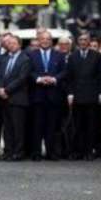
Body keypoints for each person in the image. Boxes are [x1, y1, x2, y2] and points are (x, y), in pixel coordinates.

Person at [29, 31, 66, 161]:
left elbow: (64, 72)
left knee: (52, 126)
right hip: (37, 95)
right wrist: (38, 79)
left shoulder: (60, 55)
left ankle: (51, 153)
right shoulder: (31, 55)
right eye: (42, 38)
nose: (45, 41)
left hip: (53, 95)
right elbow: (29, 71)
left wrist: (54, 79)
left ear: (51, 41)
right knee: (37, 126)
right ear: (39, 40)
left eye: (47, 39)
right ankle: (36, 153)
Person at [66, 32, 101, 160]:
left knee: (90, 125)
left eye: (85, 39)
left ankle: (88, 151)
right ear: (78, 41)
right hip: (77, 96)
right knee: (77, 126)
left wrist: (100, 93)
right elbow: (69, 78)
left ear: (89, 41)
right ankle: (77, 151)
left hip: (91, 96)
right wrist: (70, 93)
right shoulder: (73, 56)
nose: (83, 42)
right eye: (81, 39)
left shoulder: (96, 56)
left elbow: (100, 77)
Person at [0, 36, 30, 161]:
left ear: (20, 45)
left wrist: (6, 90)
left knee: (18, 128)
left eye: (14, 43)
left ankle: (18, 152)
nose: (11, 45)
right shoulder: (5, 59)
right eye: (9, 43)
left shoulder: (25, 59)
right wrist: (0, 87)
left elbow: (22, 79)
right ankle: (8, 151)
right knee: (7, 127)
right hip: (4, 98)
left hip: (18, 98)